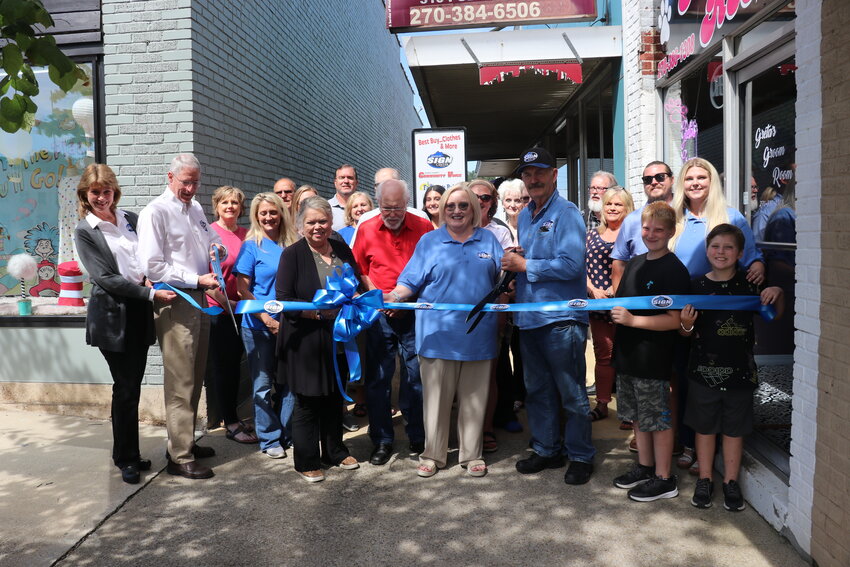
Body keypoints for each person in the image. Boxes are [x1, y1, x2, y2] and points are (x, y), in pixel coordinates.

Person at [385, 183, 503, 478]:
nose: (456, 211)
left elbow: (503, 281)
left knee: (474, 400)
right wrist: (394, 297)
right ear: (441, 209)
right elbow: (409, 282)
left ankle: (471, 454)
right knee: (435, 402)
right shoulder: (429, 242)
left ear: (474, 209)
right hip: (436, 336)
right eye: (450, 206)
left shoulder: (488, 241)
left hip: (478, 336)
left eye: (463, 205)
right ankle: (432, 455)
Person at [73, 164, 177, 484]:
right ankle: (126, 459)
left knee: (130, 386)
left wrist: (150, 275)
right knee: (127, 388)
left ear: (115, 192)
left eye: (107, 191)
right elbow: (105, 278)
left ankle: (128, 452)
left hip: (139, 312)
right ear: (85, 195)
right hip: (112, 318)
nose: (102, 198)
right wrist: (149, 293)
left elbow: (147, 255)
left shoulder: (130, 219)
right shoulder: (85, 230)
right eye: (95, 193)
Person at [502, 147, 595, 485]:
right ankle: (547, 449)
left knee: (571, 392)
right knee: (537, 390)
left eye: (540, 172)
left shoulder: (567, 213)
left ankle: (581, 454)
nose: (533, 179)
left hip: (561, 321)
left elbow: (572, 265)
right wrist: (520, 259)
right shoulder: (525, 214)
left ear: (554, 175)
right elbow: (538, 258)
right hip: (529, 319)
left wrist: (526, 265)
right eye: (527, 174)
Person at [668, 158, 765, 471]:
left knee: (720, 387)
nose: (695, 183)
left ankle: (719, 452)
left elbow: (752, 258)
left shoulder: (731, 217)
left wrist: (760, 267)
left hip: (724, 320)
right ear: (682, 183)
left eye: (702, 177)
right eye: (689, 178)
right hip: (683, 313)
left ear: (712, 183)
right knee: (686, 381)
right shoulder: (675, 220)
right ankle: (689, 445)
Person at [680, 224, 784, 511]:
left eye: (728, 247)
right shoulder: (696, 286)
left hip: (741, 371)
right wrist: (686, 323)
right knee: (704, 428)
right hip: (703, 372)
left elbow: (775, 314)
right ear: (707, 250)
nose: (721, 252)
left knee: (734, 431)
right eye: (715, 246)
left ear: (740, 253)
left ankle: (731, 482)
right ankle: (705, 479)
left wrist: (776, 291)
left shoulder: (751, 284)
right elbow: (685, 331)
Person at [137, 153, 222, 480]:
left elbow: (211, 240)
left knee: (196, 373)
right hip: (177, 300)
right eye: (185, 181)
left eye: (195, 181)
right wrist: (196, 279)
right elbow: (152, 266)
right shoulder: (155, 212)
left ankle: (184, 440)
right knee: (181, 380)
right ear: (169, 177)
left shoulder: (197, 208)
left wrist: (218, 251)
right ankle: (179, 456)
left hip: (199, 299)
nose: (190, 187)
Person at [276, 196, 361, 482]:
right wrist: (320, 316)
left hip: (339, 338)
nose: (317, 227)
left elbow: (356, 283)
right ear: (300, 226)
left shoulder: (340, 247)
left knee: (334, 397)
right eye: (311, 222)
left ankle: (335, 451)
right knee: (309, 401)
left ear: (330, 222)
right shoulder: (292, 255)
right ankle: (306, 460)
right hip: (307, 340)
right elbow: (285, 300)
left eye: (323, 221)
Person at [610, 201, 691, 502]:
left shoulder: (675, 270)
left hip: (654, 358)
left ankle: (664, 477)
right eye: (646, 228)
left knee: (657, 418)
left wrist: (633, 320)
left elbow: (674, 320)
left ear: (671, 231)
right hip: (628, 354)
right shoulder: (635, 262)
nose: (651, 233)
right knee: (637, 417)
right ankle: (645, 467)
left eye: (659, 229)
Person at [352, 179, 433, 466]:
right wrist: (381, 299)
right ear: (378, 205)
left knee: (416, 378)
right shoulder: (367, 227)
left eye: (397, 207)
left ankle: (418, 436)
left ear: (407, 203)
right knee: (378, 380)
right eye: (386, 207)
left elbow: (430, 269)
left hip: (413, 313)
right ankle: (383, 439)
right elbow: (360, 269)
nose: (392, 213)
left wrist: (403, 300)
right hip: (379, 314)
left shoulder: (423, 227)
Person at [611, 160, 676, 432]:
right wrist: (622, 306)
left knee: (674, 387)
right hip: (638, 326)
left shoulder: (687, 214)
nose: (654, 182)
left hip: (680, 316)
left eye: (659, 176)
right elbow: (619, 264)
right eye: (647, 179)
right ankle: (648, 451)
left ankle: (679, 447)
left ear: (672, 179)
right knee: (645, 395)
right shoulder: (632, 221)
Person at [235, 193, 298, 459]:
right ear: (256, 217)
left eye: (273, 212)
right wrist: (267, 319)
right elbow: (242, 288)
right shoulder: (251, 246)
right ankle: (269, 438)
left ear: (282, 213)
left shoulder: (293, 244)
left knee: (289, 383)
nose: (269, 218)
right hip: (259, 326)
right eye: (263, 213)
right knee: (262, 384)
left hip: (290, 325)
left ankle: (286, 433)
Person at [206, 186, 257, 444]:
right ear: (216, 205)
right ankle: (230, 422)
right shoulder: (208, 234)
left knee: (238, 366)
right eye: (225, 202)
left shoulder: (246, 235)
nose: (230, 207)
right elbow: (206, 275)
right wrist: (227, 305)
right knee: (225, 368)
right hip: (219, 309)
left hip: (241, 308)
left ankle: (234, 416)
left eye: (235, 203)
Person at [586, 187, 635, 422]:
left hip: (626, 305)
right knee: (603, 356)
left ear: (627, 208)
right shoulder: (591, 235)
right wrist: (593, 289)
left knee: (627, 357)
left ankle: (628, 412)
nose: (613, 208)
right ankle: (602, 404)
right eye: (609, 204)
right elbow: (580, 267)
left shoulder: (634, 235)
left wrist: (615, 290)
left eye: (618, 204)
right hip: (597, 305)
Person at [469, 178, 513, 248]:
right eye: (474, 197)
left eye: (485, 197)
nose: (479, 201)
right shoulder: (456, 229)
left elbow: (507, 257)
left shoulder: (501, 232)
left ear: (492, 202)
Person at [499, 178, 529, 242]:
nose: (512, 205)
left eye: (517, 201)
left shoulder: (530, 228)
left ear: (523, 203)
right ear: (502, 203)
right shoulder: (498, 230)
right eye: (508, 200)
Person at [329, 164, 359, 231]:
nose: (346, 181)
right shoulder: (325, 208)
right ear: (335, 182)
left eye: (350, 178)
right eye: (342, 177)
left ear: (356, 183)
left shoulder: (365, 209)